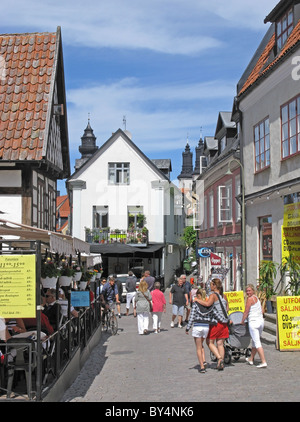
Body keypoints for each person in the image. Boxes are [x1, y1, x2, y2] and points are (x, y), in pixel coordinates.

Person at [194, 278, 229, 370]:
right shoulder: (224, 296)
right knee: (220, 343)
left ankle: (219, 358)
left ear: (214, 286)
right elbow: (227, 308)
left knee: (209, 342)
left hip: (216, 322)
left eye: (211, 284)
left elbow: (207, 304)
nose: (210, 286)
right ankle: (220, 364)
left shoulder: (213, 295)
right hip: (225, 322)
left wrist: (197, 300)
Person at [186, 289, 218, 373]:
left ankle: (202, 366)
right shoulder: (209, 304)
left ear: (199, 295)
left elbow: (192, 316)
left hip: (197, 326)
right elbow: (214, 315)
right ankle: (203, 360)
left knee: (198, 348)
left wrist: (188, 327)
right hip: (206, 327)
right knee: (202, 344)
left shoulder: (196, 304)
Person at [241, 284, 267, 368]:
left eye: (249, 291)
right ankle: (251, 359)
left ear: (253, 290)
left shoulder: (249, 299)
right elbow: (262, 310)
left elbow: (246, 311)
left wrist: (242, 321)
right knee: (254, 342)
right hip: (260, 321)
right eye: (247, 291)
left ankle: (263, 361)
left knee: (257, 342)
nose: (248, 292)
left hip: (254, 322)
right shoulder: (257, 298)